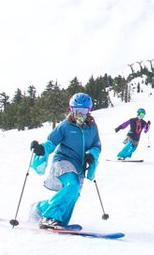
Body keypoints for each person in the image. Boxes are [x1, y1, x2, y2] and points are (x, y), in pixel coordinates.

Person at [30, 93, 101, 229]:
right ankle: (49, 217)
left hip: (79, 166)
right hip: (63, 162)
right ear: (71, 109)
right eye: (76, 111)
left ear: (89, 110)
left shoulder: (92, 128)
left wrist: (91, 154)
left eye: (83, 111)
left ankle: (40, 208)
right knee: (72, 186)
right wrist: (41, 149)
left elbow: (96, 146)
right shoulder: (65, 126)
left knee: (73, 194)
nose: (79, 114)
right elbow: (50, 142)